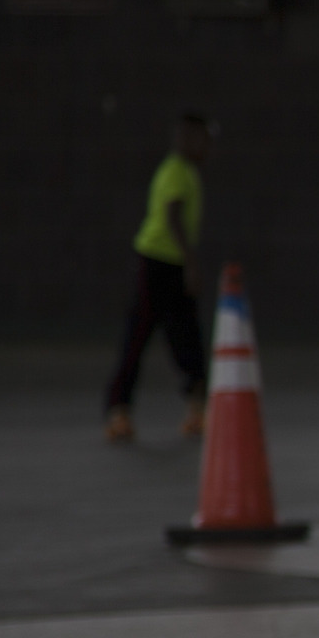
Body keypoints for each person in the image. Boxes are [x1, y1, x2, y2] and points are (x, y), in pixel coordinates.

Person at [102, 112, 215, 443]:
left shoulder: (186, 172)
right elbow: (172, 217)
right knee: (138, 335)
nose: (207, 148)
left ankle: (197, 406)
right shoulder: (176, 173)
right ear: (187, 139)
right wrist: (191, 263)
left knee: (186, 336)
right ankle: (119, 409)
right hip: (158, 264)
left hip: (169, 263)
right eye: (203, 140)